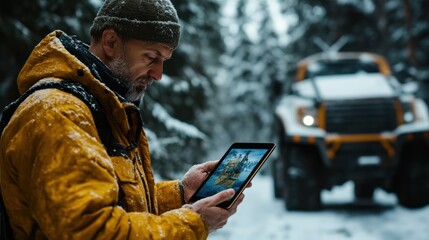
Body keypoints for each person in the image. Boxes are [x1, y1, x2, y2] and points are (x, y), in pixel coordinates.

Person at [0, 0, 245, 239]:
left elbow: (115, 204)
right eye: (151, 57)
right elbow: (92, 230)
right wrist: (194, 222)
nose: (158, 74)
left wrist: (181, 194)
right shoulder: (59, 114)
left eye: (163, 61)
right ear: (111, 42)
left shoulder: (102, 109)